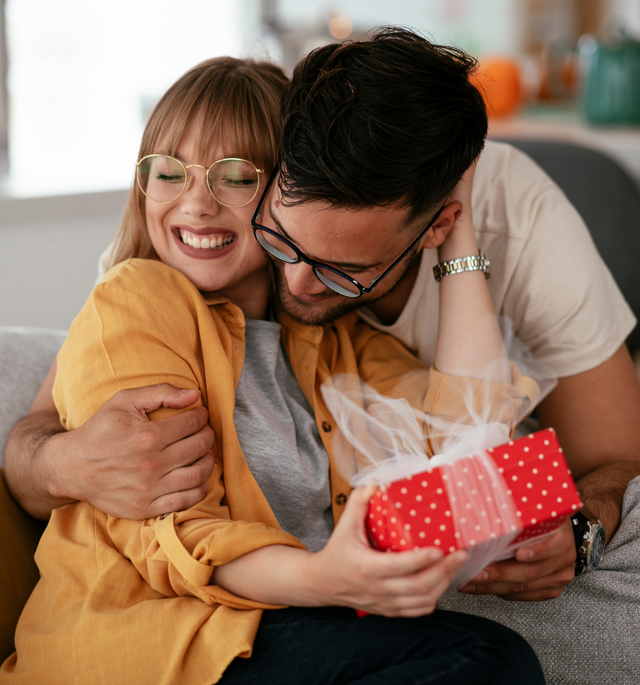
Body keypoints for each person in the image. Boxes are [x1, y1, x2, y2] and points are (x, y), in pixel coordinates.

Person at [5, 27, 640, 599]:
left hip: (491, 486)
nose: (298, 281)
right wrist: (69, 464)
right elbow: (43, 443)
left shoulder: (515, 221)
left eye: (342, 268)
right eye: (281, 236)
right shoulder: (159, 279)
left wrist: (578, 531)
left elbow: (572, 459)